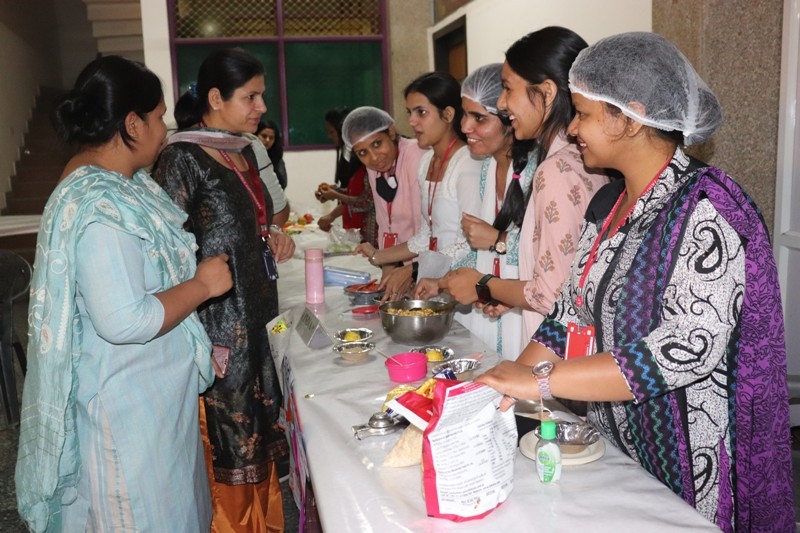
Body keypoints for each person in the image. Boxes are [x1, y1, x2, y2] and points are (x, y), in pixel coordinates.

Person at [476, 32, 794, 531]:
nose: (572, 128)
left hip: (687, 460)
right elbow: (568, 314)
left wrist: (539, 381)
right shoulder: (607, 203)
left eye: (582, 114)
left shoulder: (706, 210)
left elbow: (684, 348)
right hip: (617, 445)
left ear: (628, 117)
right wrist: (506, 382)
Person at [15, 56, 232, 532]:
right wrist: (202, 285)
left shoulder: (123, 186)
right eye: (159, 118)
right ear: (132, 124)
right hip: (127, 411)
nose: (164, 130)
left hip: (153, 401)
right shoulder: (99, 205)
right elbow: (124, 319)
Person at [153, 48, 295, 533]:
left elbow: (246, 224)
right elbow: (167, 250)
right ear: (215, 98)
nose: (261, 107)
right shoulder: (180, 157)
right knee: (230, 438)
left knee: (259, 429)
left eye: (261, 96)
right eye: (250, 97)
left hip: (257, 316)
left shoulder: (243, 152)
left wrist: (271, 236)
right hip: (217, 326)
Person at [427, 27, 607, 345]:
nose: (501, 102)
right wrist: (506, 294)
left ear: (546, 93)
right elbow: (565, 276)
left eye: (508, 89)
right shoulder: (580, 158)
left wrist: (484, 284)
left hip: (554, 350)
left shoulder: (556, 170)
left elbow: (549, 295)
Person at [414, 63, 535, 358]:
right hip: (490, 308)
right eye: (465, 114)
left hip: (527, 316)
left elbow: (553, 260)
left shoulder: (538, 171)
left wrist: (498, 240)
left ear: (510, 119)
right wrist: (442, 282)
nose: (465, 127)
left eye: (479, 118)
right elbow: (479, 252)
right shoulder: (487, 168)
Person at [355, 72, 482, 302]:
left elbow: (470, 245)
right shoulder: (426, 162)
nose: (412, 121)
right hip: (435, 285)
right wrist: (378, 257)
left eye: (421, 112)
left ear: (448, 114)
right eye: (410, 113)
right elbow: (426, 236)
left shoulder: (468, 164)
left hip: (463, 290)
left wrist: (413, 270)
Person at [341, 106, 428, 281]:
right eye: (363, 152)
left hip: (425, 265)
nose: (374, 158)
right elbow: (384, 222)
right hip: (404, 263)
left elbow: (424, 229)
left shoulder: (416, 155)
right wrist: (386, 274)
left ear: (391, 132)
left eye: (377, 144)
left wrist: (408, 271)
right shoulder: (374, 167)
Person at [315, 107, 378, 247]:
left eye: (332, 132)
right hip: (359, 233)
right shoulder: (353, 160)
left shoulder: (371, 163)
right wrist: (334, 191)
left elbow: (367, 201)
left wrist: (336, 196)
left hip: (372, 235)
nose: (329, 136)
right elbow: (354, 191)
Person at [256, 119, 288, 189]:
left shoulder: (277, 157)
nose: (267, 140)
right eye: (264, 136)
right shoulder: (248, 155)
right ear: (255, 135)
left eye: (271, 138)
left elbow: (282, 183)